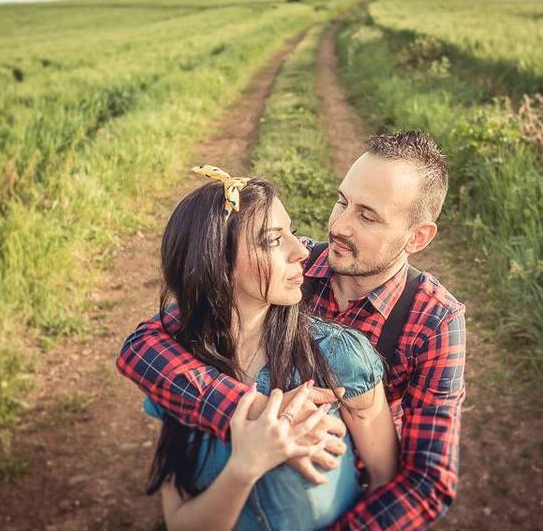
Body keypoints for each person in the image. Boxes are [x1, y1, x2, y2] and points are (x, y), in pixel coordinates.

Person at [118, 131, 466, 529]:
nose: (339, 226)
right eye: (342, 201)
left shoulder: (435, 319)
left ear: (417, 237)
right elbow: (144, 346)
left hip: (344, 489)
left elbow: (426, 482)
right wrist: (254, 414)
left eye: (367, 216)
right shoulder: (290, 270)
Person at [140, 167, 399, 530]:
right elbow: (182, 522)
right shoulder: (177, 370)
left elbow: (385, 482)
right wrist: (245, 467)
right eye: (273, 240)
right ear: (218, 264)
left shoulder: (340, 357)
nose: (301, 252)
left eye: (291, 232)